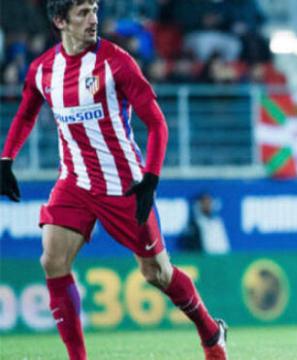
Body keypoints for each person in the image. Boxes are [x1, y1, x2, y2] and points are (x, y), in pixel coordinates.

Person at [0, 1, 227, 359]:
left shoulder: (116, 62)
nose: (93, 19)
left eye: (94, 10)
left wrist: (150, 178)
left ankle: (211, 333)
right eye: (83, 13)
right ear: (60, 20)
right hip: (74, 182)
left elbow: (156, 122)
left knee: (157, 274)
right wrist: (6, 159)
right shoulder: (43, 69)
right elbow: (26, 112)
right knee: (52, 261)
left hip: (124, 185)